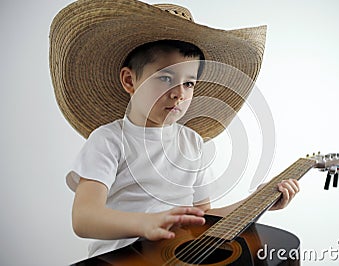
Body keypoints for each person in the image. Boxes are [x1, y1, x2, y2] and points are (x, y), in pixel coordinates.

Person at [49, 0, 300, 258]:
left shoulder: (192, 143)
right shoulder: (108, 140)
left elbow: (202, 220)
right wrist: (146, 223)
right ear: (129, 80)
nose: (179, 93)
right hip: (121, 260)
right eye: (166, 78)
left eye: (189, 83)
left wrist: (257, 202)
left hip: (174, 257)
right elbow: (84, 218)